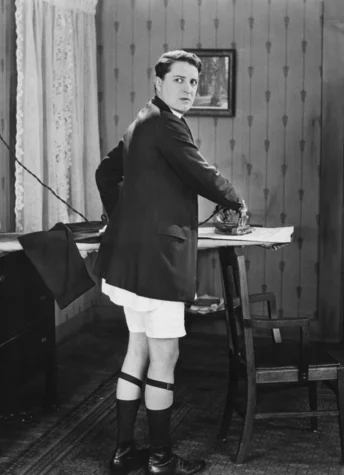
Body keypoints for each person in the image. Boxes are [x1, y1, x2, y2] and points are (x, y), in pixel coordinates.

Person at [95, 50, 245, 475]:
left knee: (136, 350)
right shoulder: (167, 124)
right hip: (156, 264)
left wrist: (121, 218)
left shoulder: (140, 121)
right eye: (179, 80)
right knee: (165, 356)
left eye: (194, 83)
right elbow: (201, 173)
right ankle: (161, 459)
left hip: (127, 262)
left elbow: (104, 174)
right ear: (158, 83)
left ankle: (124, 453)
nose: (188, 90)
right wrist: (236, 200)